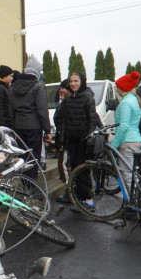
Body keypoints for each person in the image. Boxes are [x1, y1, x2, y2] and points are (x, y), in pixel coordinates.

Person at [56, 71, 96, 210]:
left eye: (76, 81)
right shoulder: (68, 100)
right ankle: (80, 200)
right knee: (75, 170)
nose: (73, 84)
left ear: (82, 81)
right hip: (71, 141)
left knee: (83, 171)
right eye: (71, 81)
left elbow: (92, 120)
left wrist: (89, 139)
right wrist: (61, 140)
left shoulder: (87, 97)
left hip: (84, 140)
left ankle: (88, 201)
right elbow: (64, 122)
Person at [9, 56, 51, 180]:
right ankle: (31, 184)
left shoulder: (13, 87)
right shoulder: (38, 86)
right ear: (37, 71)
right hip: (34, 127)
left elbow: (11, 110)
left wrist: (13, 128)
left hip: (19, 127)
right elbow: (42, 110)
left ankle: (24, 184)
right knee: (33, 157)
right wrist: (47, 130)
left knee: (22, 157)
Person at [111, 71, 141, 192]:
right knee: (133, 173)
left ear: (123, 88)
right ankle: (138, 197)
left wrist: (114, 145)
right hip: (136, 140)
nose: (116, 89)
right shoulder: (135, 100)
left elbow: (123, 126)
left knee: (128, 175)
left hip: (127, 142)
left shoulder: (125, 103)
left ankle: (136, 199)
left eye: (118, 87)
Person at [54, 79, 72, 202]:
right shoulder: (65, 103)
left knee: (64, 165)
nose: (61, 91)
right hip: (66, 138)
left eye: (63, 89)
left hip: (66, 140)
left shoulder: (68, 105)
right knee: (66, 165)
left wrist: (61, 141)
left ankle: (70, 191)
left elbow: (63, 124)